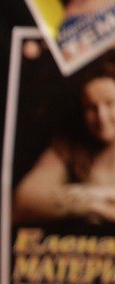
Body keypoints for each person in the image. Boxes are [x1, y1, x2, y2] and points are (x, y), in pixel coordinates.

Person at [12, 58, 115, 224]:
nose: (101, 117)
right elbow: (23, 202)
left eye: (110, 104)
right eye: (91, 107)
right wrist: (93, 203)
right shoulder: (70, 147)